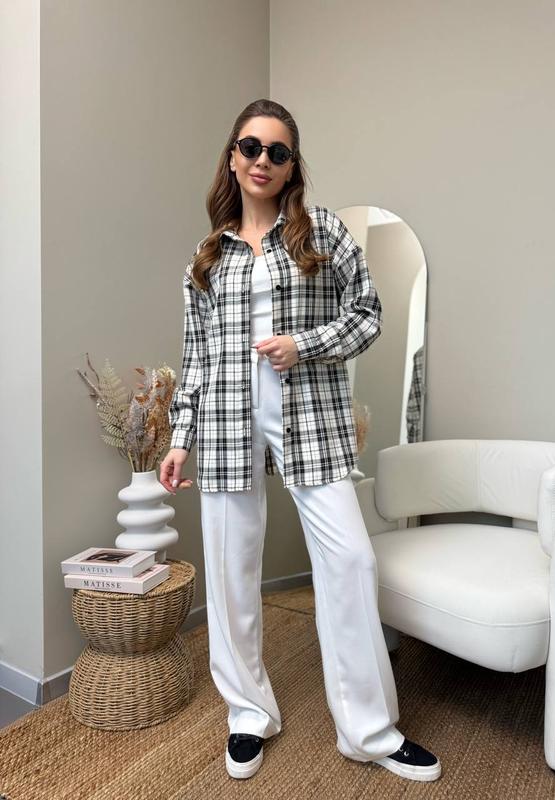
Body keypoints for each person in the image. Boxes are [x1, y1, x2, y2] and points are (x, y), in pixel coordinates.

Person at [160, 98, 441, 783]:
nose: (263, 160)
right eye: (251, 147)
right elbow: (196, 357)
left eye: (278, 151)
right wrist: (179, 438)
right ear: (233, 157)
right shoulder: (206, 256)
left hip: (309, 413)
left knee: (351, 562)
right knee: (231, 572)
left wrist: (304, 345)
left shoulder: (323, 232)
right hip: (226, 420)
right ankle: (247, 713)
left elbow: (367, 313)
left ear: (291, 166)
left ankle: (368, 731)